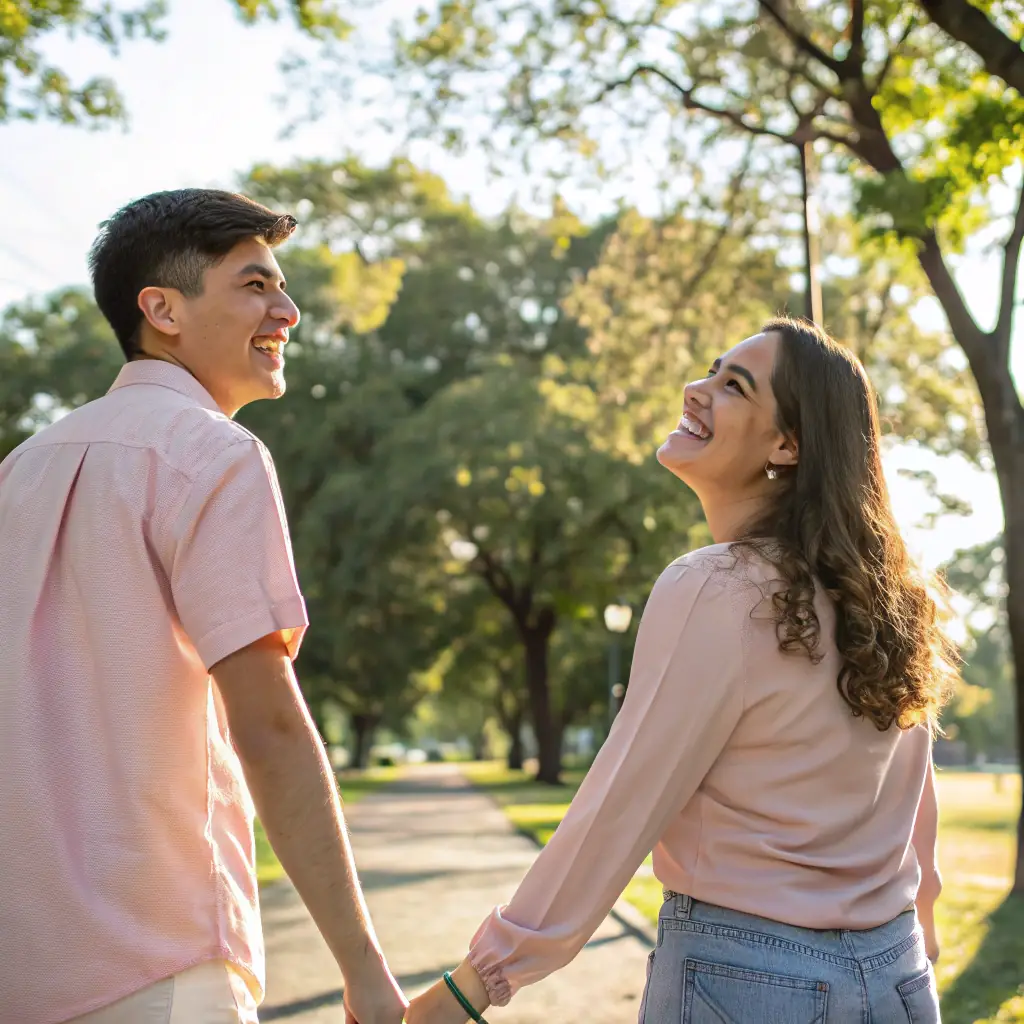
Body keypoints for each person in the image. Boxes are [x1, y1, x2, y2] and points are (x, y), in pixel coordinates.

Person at [405, 317, 954, 1024]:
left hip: (751, 984)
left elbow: (622, 800)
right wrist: (926, 927)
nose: (696, 390)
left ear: (787, 444)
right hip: (899, 978)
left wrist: (476, 983)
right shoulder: (885, 599)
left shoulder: (718, 587)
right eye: (711, 369)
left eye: (733, 386)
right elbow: (918, 800)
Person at [0, 190, 407, 1024]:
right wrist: (361, 969)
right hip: (161, 967)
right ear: (163, 310)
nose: (287, 311)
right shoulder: (215, 457)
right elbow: (271, 729)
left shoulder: (19, 471)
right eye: (256, 285)